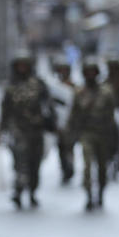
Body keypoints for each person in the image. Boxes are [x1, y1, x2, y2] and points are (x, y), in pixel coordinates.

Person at [1, 49, 51, 208]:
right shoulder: (10, 86)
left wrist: (50, 122)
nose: (22, 68)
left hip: (36, 130)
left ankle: (32, 191)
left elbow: (48, 105)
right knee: (20, 163)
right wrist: (2, 129)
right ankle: (18, 191)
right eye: (19, 65)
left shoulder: (38, 84)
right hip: (18, 130)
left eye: (25, 65)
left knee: (34, 163)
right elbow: (5, 108)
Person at [67, 58, 116, 211]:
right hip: (86, 134)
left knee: (102, 167)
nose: (90, 75)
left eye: (92, 72)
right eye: (87, 72)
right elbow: (73, 115)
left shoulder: (106, 92)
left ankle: (100, 192)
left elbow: (111, 116)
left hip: (103, 134)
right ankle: (88, 195)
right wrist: (70, 136)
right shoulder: (79, 93)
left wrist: (113, 137)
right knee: (87, 165)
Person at [50, 54, 77, 184]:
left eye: (65, 70)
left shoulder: (74, 87)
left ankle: (70, 167)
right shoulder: (54, 87)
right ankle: (64, 169)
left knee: (69, 147)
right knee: (61, 147)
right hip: (58, 123)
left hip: (71, 123)